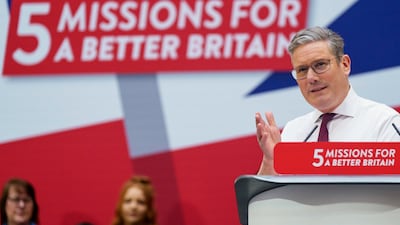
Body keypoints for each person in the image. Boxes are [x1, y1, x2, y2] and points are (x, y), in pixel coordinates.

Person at [255, 26, 400, 175]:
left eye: (320, 65)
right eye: (302, 70)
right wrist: (270, 161)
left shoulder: (385, 123)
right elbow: (269, 196)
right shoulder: (293, 131)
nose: (311, 78)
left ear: (345, 64)